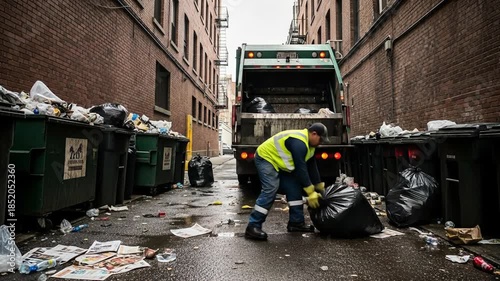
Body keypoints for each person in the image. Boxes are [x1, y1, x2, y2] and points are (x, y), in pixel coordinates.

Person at [245, 123, 329, 241]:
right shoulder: (299, 142)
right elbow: (301, 169)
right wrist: (311, 192)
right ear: (314, 134)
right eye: (321, 139)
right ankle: (253, 226)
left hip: (278, 163)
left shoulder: (310, 146)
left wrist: (320, 189)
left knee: (294, 187)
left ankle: (296, 223)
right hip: (266, 158)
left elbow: (312, 168)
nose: (321, 143)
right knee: (271, 188)